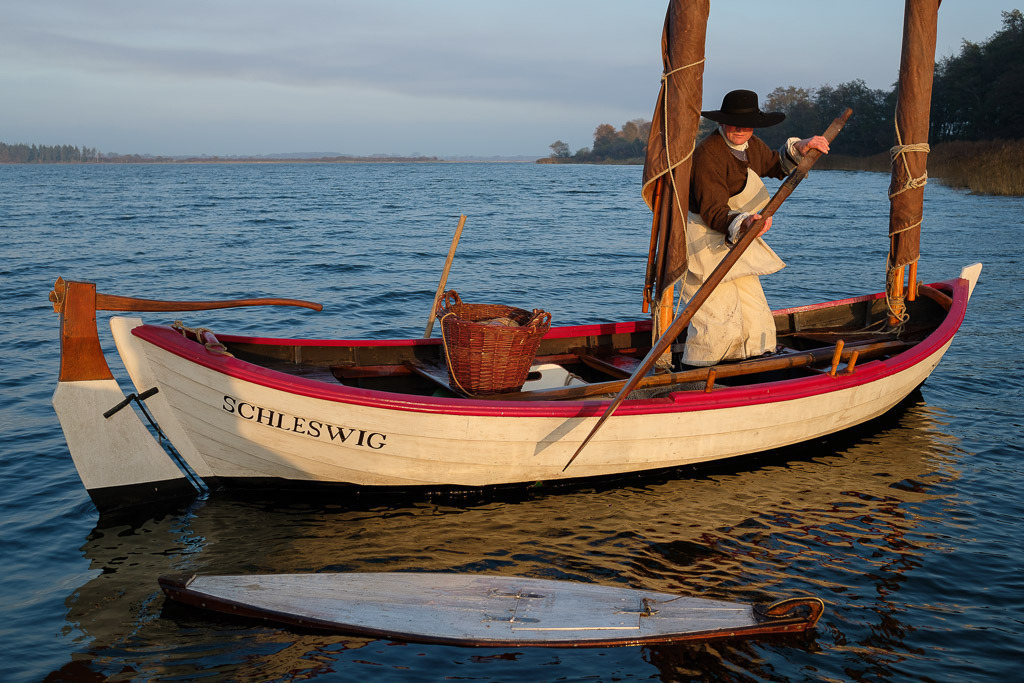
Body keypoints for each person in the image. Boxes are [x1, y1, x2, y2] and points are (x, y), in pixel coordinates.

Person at [680, 89, 830, 367]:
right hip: (704, 241)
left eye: (747, 125)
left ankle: (753, 367)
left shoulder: (751, 145)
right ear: (723, 123)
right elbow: (713, 211)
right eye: (736, 124)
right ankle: (697, 371)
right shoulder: (708, 154)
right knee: (715, 320)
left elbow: (775, 164)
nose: (741, 130)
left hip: (734, 238)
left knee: (755, 315)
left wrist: (801, 148)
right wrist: (745, 222)